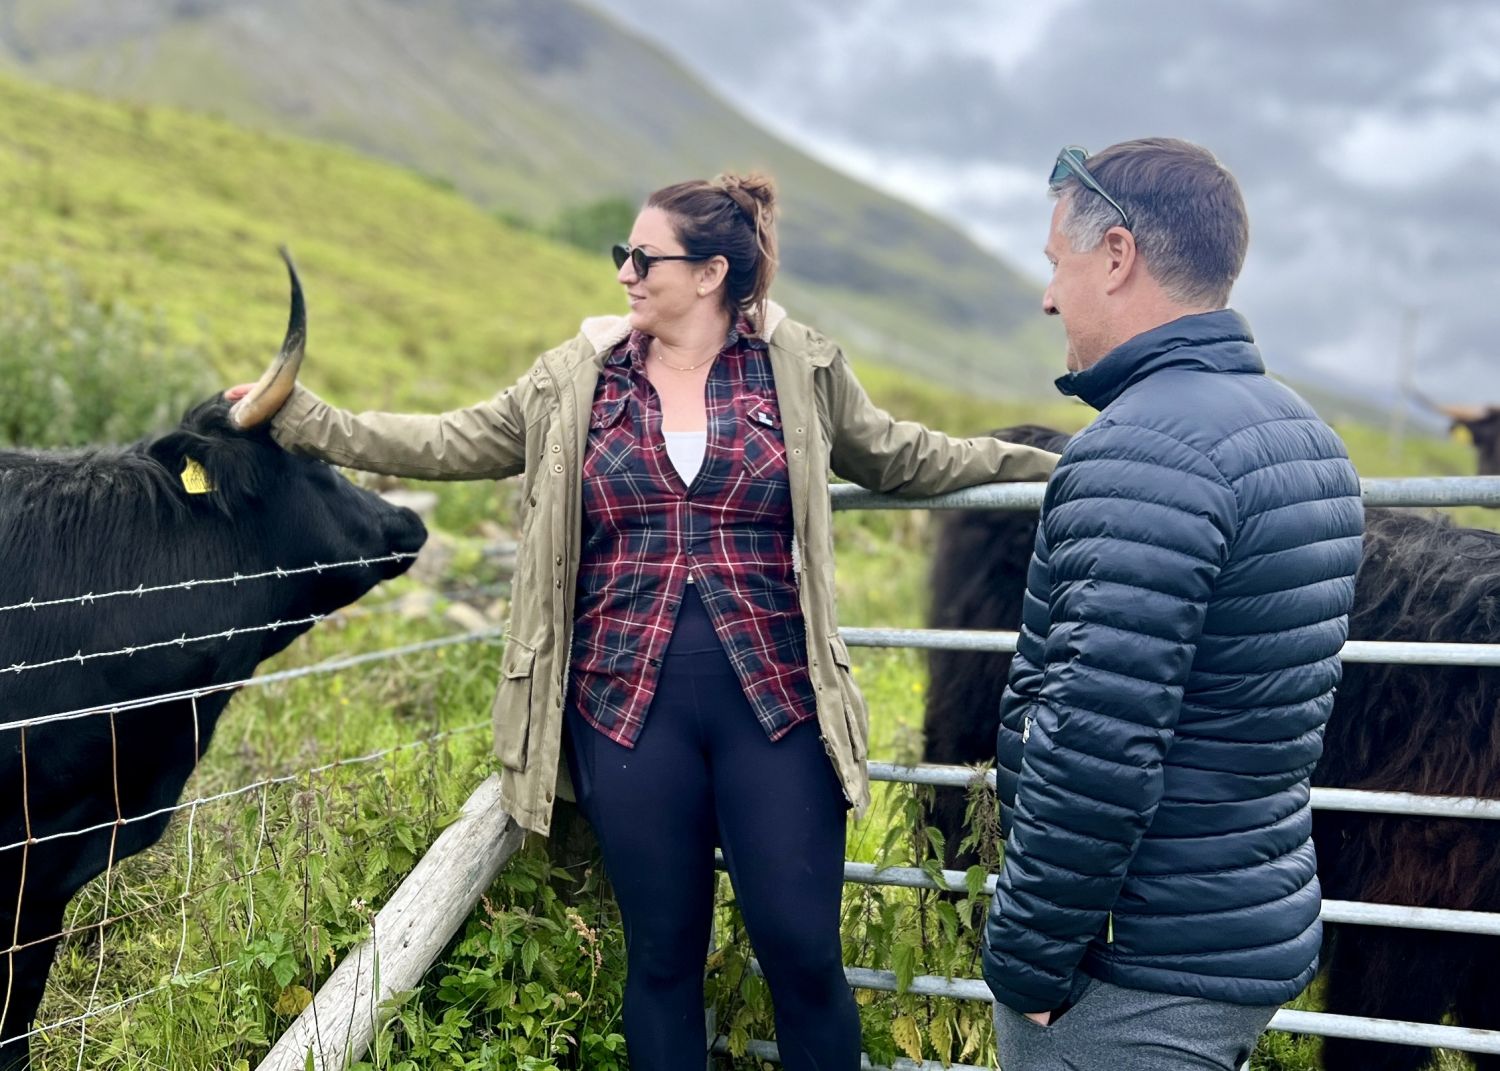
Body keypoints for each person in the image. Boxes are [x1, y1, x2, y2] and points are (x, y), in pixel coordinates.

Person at [227, 172, 1060, 1070]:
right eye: (621, 254)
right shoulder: (573, 380)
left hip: (776, 708)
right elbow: (447, 439)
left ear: (709, 274)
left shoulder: (800, 368)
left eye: (642, 256)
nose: (623, 272)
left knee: (804, 957)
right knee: (663, 959)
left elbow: (908, 454)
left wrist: (1058, 464)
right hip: (624, 714)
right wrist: (309, 421)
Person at [979, 138, 1365, 1070]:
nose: (1047, 294)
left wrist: (1028, 970)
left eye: (1055, 262)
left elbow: (1095, 744)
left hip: (1133, 962)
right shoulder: (1306, 437)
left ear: (1116, 256)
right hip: (1238, 923)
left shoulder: (1144, 450)